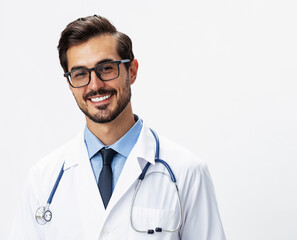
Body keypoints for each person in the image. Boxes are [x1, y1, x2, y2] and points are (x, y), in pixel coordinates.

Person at [8, 15, 226, 240]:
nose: (95, 85)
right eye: (81, 74)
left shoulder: (186, 172)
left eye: (106, 68)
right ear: (70, 84)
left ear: (131, 71)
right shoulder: (43, 179)